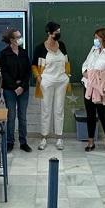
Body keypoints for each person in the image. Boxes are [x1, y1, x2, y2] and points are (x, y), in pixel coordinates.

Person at [32, 21, 70, 151]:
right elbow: (33, 65)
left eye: (59, 31)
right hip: (46, 82)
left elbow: (67, 62)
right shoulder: (40, 48)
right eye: (56, 31)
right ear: (49, 33)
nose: (58, 33)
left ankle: (59, 138)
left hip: (61, 82)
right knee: (46, 109)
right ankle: (44, 137)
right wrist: (38, 77)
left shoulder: (62, 45)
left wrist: (68, 76)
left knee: (59, 109)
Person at [81, 28, 105, 153]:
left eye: (97, 37)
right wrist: (86, 72)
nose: (95, 40)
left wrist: (95, 75)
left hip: (101, 89)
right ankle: (90, 141)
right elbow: (86, 64)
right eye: (95, 37)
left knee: (103, 115)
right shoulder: (93, 50)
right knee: (90, 115)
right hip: (88, 86)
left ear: (104, 38)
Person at [0, 28, 32, 153]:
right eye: (18, 37)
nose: (20, 38)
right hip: (10, 89)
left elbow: (28, 71)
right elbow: (5, 72)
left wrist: (22, 86)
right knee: (11, 116)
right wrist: (14, 87)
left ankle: (23, 142)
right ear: (11, 39)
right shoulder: (4, 53)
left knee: (22, 116)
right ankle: (10, 142)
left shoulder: (23, 52)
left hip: (24, 89)